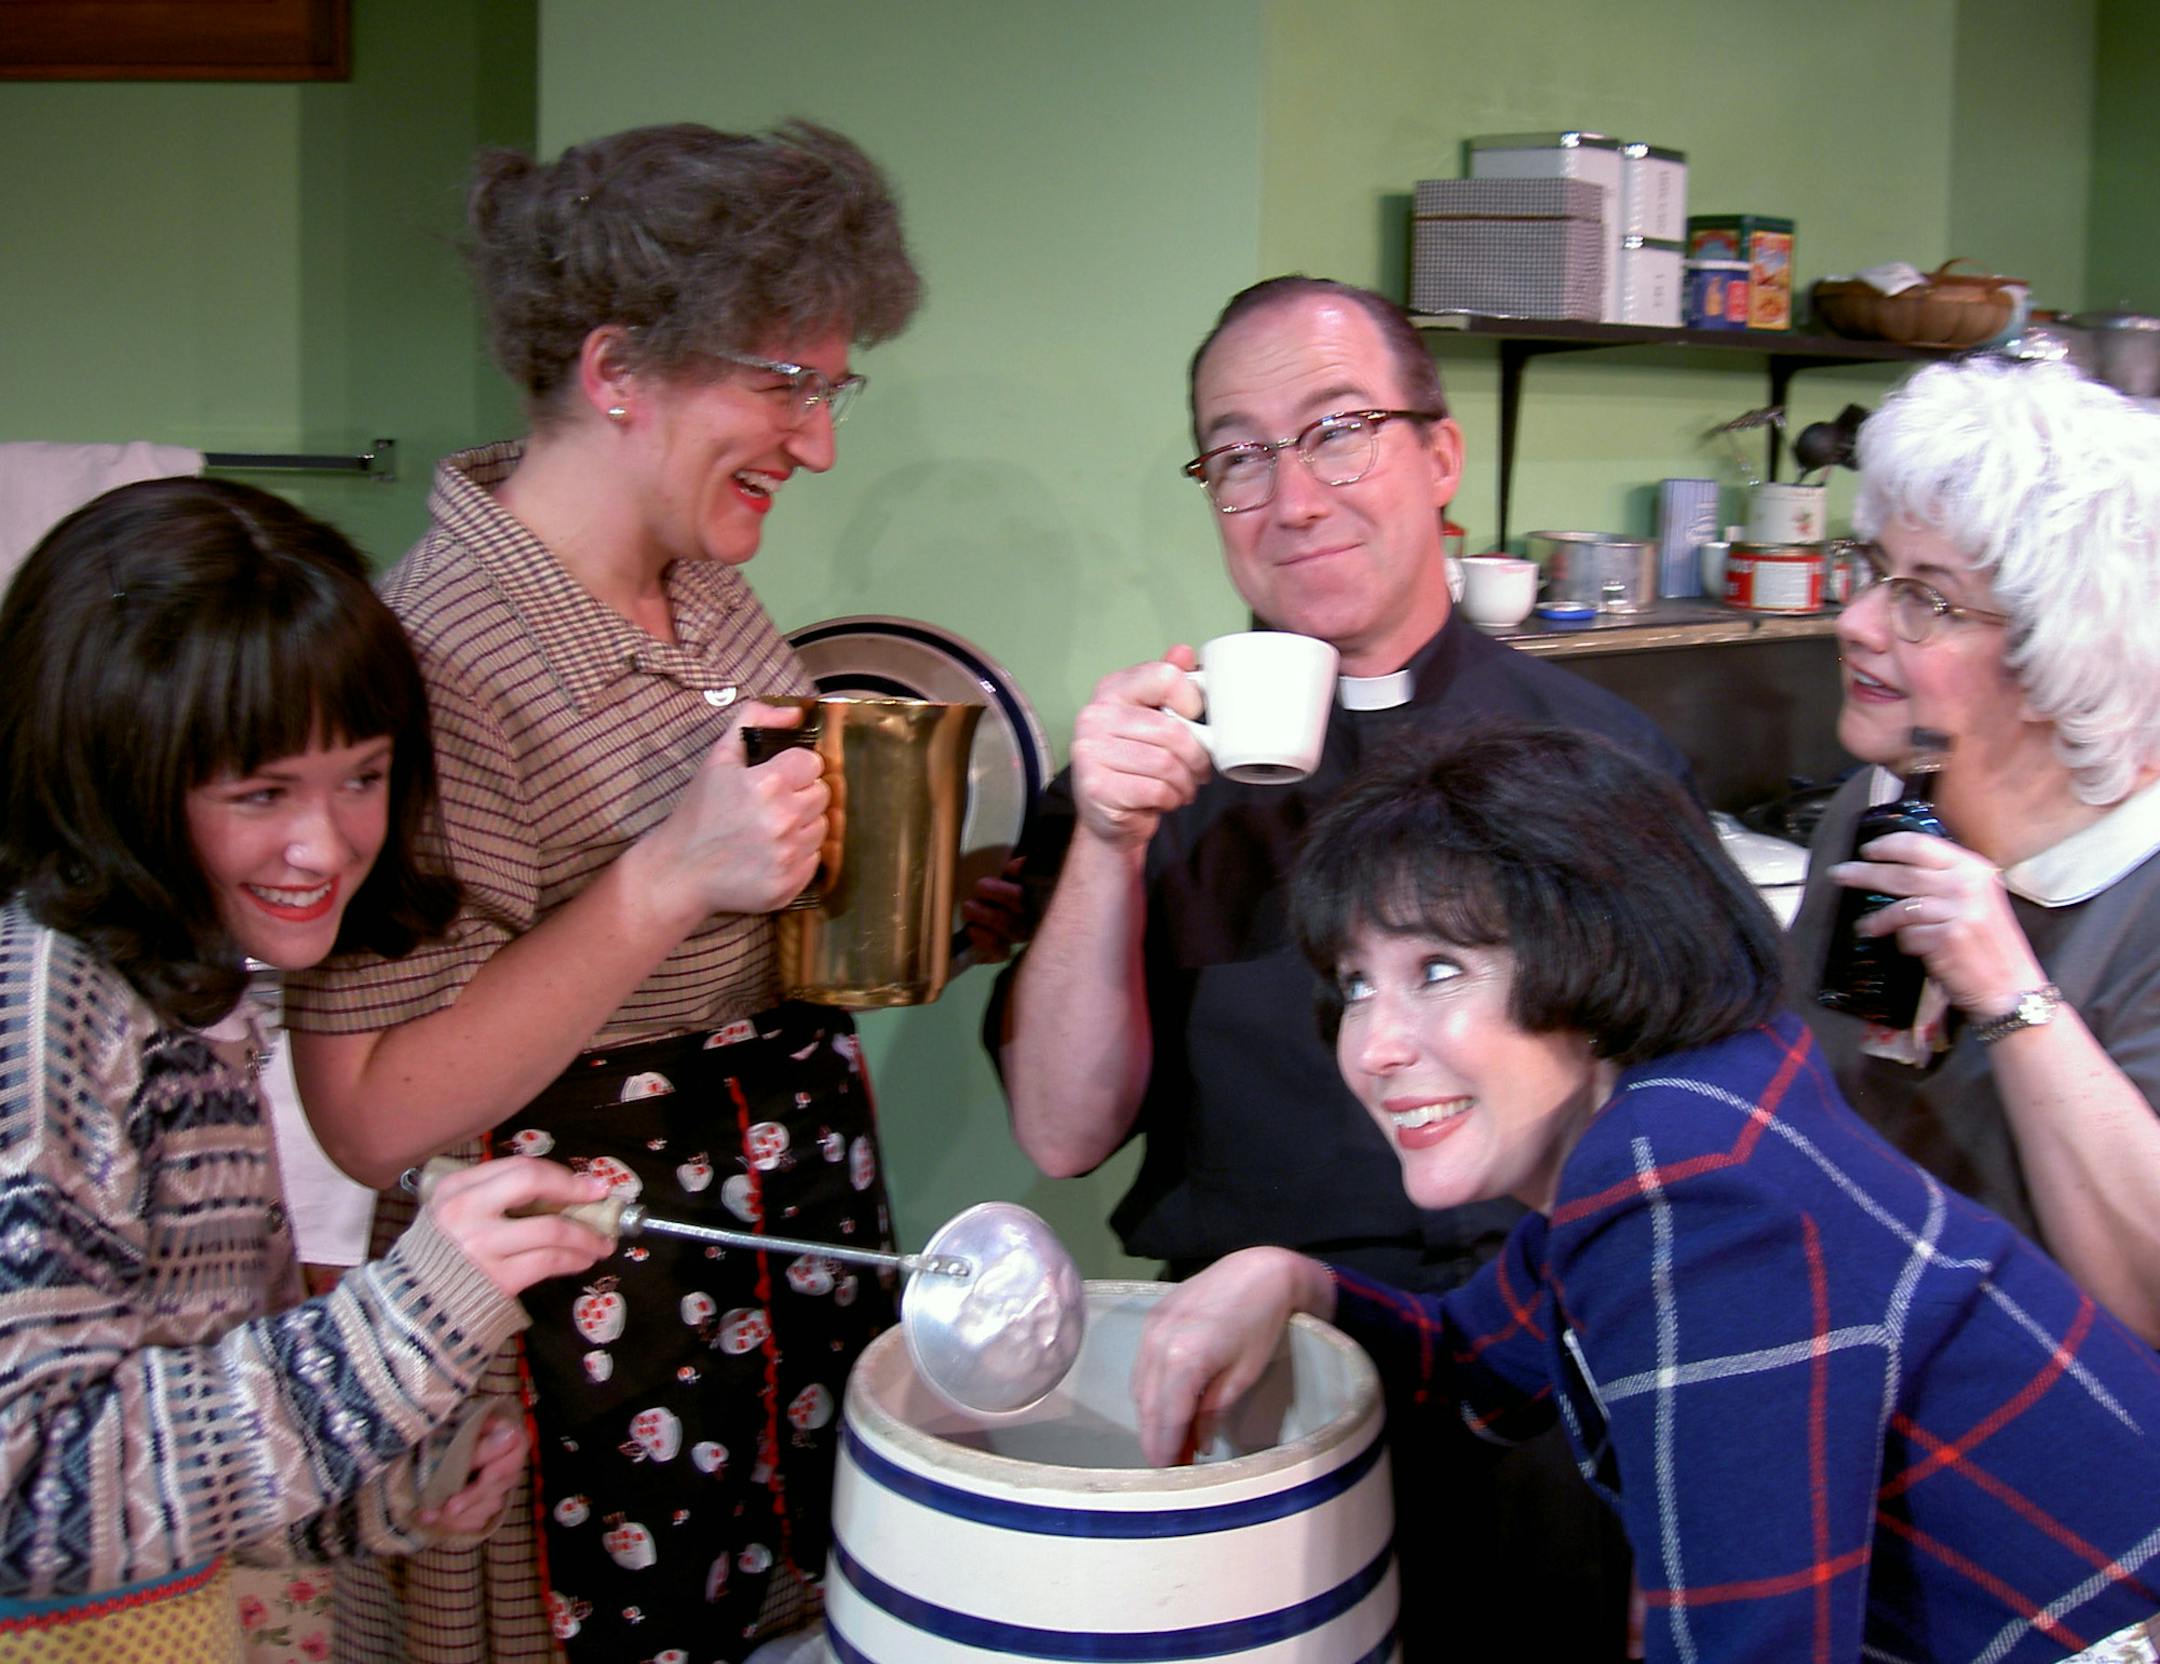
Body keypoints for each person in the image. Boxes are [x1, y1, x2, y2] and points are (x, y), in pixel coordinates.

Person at [283, 121, 920, 1664]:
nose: (817, 443)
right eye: (786, 384)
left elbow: (708, 941)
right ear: (619, 368)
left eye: (829, 390)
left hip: (763, 1270)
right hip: (583, 1342)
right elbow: (370, 1114)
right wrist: (669, 875)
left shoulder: (700, 583)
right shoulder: (431, 658)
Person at [1132, 722, 2160, 1664]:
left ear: (1600, 950)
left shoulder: (1691, 1187)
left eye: (1439, 968)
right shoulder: (1690, 1108)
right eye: (1358, 982)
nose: (1374, 1047)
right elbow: (1473, 1369)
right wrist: (1292, 1280)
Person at [990, 274, 1687, 1653]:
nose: (1291, 497)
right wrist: (1111, 845)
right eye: (1238, 454)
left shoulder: (1604, 758)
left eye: (1338, 430)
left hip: (1544, 1378)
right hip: (1252, 1383)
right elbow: (1063, 1132)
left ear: (1441, 455)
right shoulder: (1145, 775)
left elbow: (1692, 1135)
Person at [0, 478, 615, 1657]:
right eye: (261, 791)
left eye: (363, 776)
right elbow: (34, 1499)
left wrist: (373, 1494)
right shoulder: (39, 1013)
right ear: (116, 776)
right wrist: (407, 1320)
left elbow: (167, 1429)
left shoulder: (177, 984)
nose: (325, 845)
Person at [1787, 357, 2160, 1344]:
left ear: (2059, 653)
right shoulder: (1879, 810)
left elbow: (2149, 1304)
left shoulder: (2144, 898)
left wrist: (2008, 990)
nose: (1856, 622)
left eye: (1926, 599)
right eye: (1874, 571)